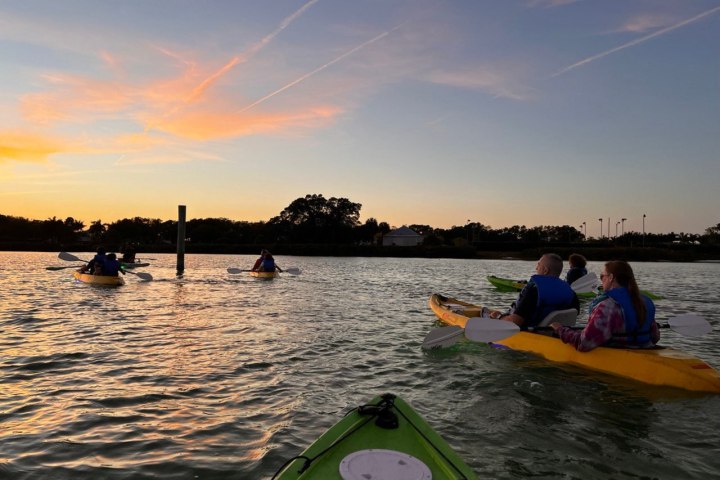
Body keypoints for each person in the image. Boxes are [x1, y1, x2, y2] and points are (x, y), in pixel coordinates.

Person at [550, 260, 659, 352]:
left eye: (602, 276)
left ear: (611, 277)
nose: (601, 280)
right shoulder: (645, 302)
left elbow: (584, 343)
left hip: (618, 356)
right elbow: (655, 337)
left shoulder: (607, 306)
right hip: (645, 349)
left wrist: (560, 329)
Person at [488, 253, 579, 329]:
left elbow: (515, 323)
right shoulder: (571, 293)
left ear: (545, 270)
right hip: (555, 335)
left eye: (538, 265)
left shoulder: (534, 291)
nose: (536, 268)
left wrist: (499, 317)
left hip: (531, 333)